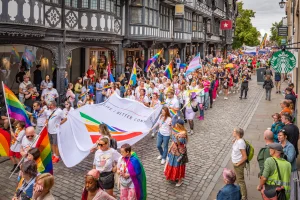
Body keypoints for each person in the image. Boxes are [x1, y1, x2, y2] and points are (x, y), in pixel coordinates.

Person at [164, 119, 188, 187]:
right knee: (172, 163)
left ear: (179, 125)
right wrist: (170, 148)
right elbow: (173, 141)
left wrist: (177, 137)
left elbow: (179, 143)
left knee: (178, 165)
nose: (175, 125)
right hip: (174, 150)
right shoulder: (177, 131)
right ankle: (174, 176)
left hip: (179, 152)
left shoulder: (183, 133)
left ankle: (180, 180)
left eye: (177, 124)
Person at [278, 129, 299, 200]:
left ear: (285, 136)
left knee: (291, 189)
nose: (279, 137)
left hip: (291, 172)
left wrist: (282, 152)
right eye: (278, 135)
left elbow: (290, 159)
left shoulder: (290, 146)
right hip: (282, 171)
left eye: (280, 135)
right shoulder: (278, 145)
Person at [231, 127, 247, 200]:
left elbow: (245, 157)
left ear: (237, 133)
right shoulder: (238, 140)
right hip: (236, 163)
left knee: (240, 181)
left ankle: (244, 197)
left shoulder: (240, 142)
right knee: (238, 180)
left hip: (238, 164)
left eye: (234, 131)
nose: (233, 132)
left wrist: (238, 164)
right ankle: (239, 193)